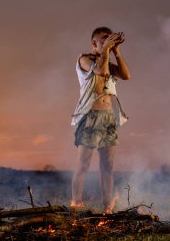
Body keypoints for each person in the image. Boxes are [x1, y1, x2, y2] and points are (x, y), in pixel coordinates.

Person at [71, 27, 131, 211]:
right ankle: (76, 204)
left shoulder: (107, 59)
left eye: (109, 38)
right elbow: (101, 72)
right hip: (90, 116)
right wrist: (106, 49)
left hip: (107, 117)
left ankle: (107, 208)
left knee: (108, 166)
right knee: (83, 163)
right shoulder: (85, 59)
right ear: (94, 42)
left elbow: (126, 75)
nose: (107, 41)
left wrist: (116, 51)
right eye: (104, 39)